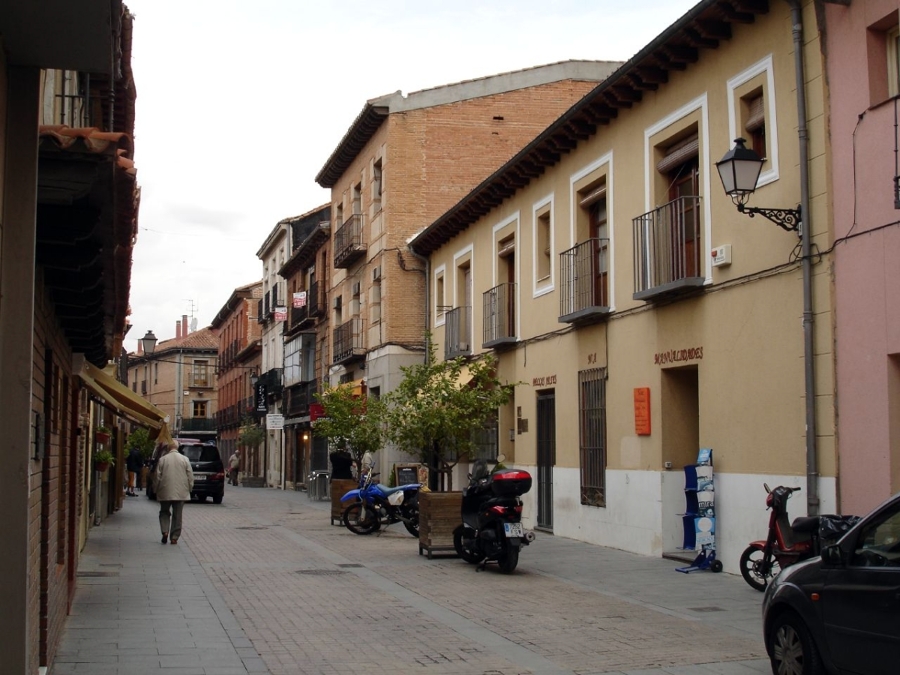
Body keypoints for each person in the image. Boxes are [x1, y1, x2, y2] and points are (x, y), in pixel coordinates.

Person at [154, 441, 194, 545]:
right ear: (177, 447)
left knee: (164, 512)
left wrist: (156, 489)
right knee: (178, 515)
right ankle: (174, 537)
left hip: (165, 490)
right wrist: (189, 488)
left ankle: (165, 531)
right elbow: (190, 476)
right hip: (181, 492)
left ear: (168, 448)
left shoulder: (163, 459)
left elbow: (157, 476)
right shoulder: (185, 459)